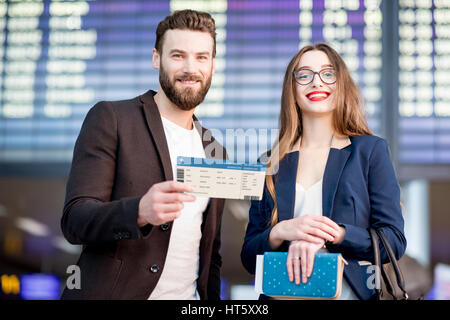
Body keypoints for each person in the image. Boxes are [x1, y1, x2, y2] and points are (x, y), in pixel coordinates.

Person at [60, 10, 226, 300]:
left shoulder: (216, 152)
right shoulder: (112, 118)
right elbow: (75, 220)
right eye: (177, 55)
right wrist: (138, 212)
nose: (191, 68)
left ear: (212, 65)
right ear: (156, 58)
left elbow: (211, 252)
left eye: (202, 57)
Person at [240, 43, 407, 300]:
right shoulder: (268, 162)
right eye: (304, 75)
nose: (317, 82)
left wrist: (333, 233)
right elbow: (249, 257)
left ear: (340, 85)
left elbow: (393, 241)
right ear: (291, 90)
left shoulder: (370, 151)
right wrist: (282, 231)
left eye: (328, 74)